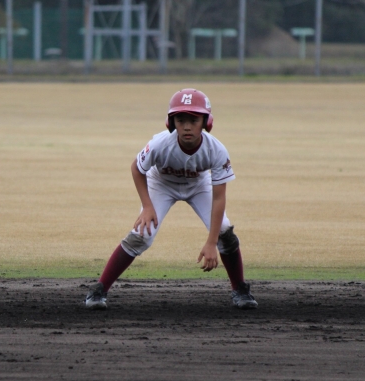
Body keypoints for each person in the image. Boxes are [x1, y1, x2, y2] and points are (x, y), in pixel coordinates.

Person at [84, 88, 257, 310]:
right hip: (161, 184)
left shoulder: (216, 150)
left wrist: (212, 242)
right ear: (171, 122)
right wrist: (147, 206)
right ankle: (99, 290)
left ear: (206, 122)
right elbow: (137, 168)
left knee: (225, 233)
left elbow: (218, 198)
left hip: (198, 185)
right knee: (141, 236)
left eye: (193, 120)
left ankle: (240, 290)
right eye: (180, 119)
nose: (187, 126)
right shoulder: (160, 144)